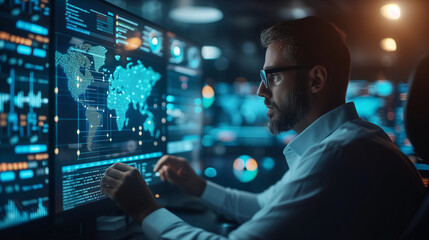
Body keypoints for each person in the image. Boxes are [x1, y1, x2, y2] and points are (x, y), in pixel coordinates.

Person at [100, 16, 425, 239]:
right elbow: (263, 206)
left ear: (316, 80)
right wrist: (197, 185)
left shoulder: (339, 154)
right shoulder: (349, 141)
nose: (260, 91)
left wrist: (144, 209)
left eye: (274, 76)